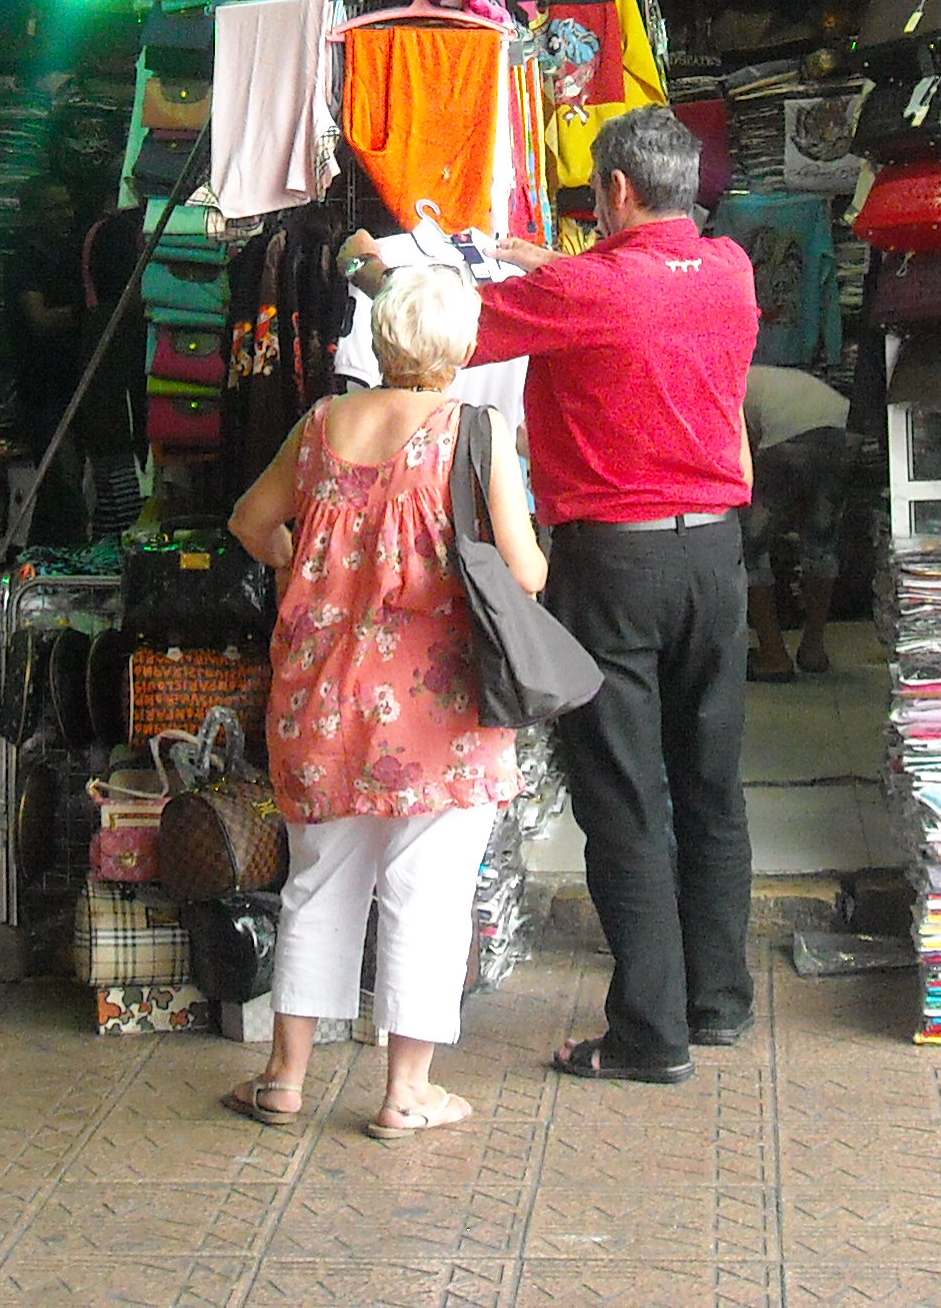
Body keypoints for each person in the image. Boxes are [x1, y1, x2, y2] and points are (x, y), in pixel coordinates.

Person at [470, 104, 762, 1082]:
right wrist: (542, 262)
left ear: (618, 190)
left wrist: (381, 269)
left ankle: (649, 1033)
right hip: (715, 559)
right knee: (711, 785)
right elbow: (622, 285)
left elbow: (450, 335)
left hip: (613, 569)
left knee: (625, 797)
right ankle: (718, 1002)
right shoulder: (730, 270)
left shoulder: (582, 289)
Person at [223, 264, 543, 1140]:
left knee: (317, 883)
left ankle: (285, 1079)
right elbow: (525, 571)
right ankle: (406, 1092)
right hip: (438, 709)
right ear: (464, 348)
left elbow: (250, 521)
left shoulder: (321, 424)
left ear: (382, 339)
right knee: (425, 892)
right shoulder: (474, 430)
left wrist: (300, 562)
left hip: (321, 694)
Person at [742, 364, 861, 684]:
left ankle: (773, 655)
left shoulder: (729, 382)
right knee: (820, 543)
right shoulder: (765, 376)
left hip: (787, 438)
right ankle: (813, 649)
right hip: (844, 430)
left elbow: (743, 451)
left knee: (750, 547)